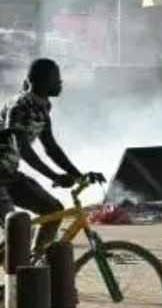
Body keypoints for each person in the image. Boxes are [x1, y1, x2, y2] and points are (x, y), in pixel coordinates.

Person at [0, 59, 104, 253]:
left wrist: (79, 175)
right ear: (42, 81)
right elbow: (24, 151)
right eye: (56, 78)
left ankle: (36, 260)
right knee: (16, 230)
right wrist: (54, 176)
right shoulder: (20, 106)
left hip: (9, 175)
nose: (60, 82)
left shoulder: (43, 106)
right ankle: (19, 267)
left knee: (54, 211)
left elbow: (51, 147)